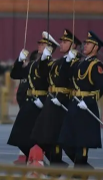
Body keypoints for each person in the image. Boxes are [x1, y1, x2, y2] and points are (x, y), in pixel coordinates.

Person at [31, 29, 81, 168]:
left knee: (55, 138)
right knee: (42, 136)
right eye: (62, 41)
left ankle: (72, 164)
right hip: (51, 101)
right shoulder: (60, 61)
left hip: (62, 102)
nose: (61, 44)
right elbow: (43, 73)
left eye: (65, 42)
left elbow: (66, 78)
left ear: (74, 45)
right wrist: (44, 58)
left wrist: (61, 97)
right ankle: (57, 164)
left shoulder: (74, 62)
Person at [7, 31, 59, 163]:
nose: (39, 45)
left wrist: (43, 100)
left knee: (41, 138)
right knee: (19, 136)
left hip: (41, 103)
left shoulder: (51, 65)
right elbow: (15, 74)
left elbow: (52, 83)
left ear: (49, 48)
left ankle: (52, 162)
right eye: (40, 43)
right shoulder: (32, 64)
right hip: (29, 102)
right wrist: (19, 60)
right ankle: (34, 160)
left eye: (43, 44)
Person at [58, 31, 103, 169]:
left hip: (86, 107)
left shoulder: (96, 65)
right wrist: (68, 61)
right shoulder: (80, 63)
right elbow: (64, 77)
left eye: (89, 44)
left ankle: (80, 171)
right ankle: (83, 167)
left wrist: (89, 101)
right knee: (65, 140)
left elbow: (101, 88)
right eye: (85, 43)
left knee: (82, 144)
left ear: (96, 47)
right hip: (75, 104)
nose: (85, 46)